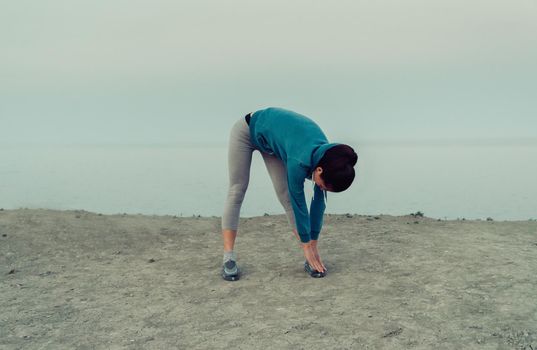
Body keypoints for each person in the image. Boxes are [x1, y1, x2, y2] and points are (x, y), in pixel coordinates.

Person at [221, 107, 357, 281]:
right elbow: (298, 202)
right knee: (237, 190)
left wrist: (313, 245)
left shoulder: (330, 158)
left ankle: (309, 258)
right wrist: (307, 246)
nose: (322, 189)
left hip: (273, 143)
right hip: (247, 130)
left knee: (284, 196)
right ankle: (228, 257)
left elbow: (318, 204)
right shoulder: (299, 161)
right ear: (319, 170)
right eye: (323, 186)